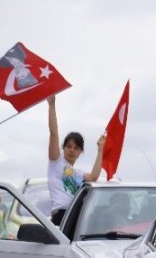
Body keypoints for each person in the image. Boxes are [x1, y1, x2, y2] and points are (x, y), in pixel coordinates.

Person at [47, 95, 106, 226]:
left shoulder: (77, 173)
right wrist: (52, 106)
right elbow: (53, 133)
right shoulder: (56, 161)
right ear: (63, 147)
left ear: (80, 152)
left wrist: (100, 149)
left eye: (76, 148)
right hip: (61, 215)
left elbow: (94, 176)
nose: (72, 150)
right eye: (69, 146)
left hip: (76, 214)